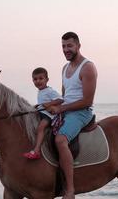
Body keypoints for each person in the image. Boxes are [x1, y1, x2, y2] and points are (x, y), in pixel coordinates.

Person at [48, 32, 97, 199]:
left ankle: (69, 190)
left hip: (81, 113)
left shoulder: (87, 67)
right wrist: (50, 105)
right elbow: (66, 96)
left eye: (69, 46)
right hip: (67, 110)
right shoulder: (64, 68)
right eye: (63, 46)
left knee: (60, 140)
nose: (66, 49)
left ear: (78, 46)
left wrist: (62, 109)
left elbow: (87, 101)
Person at [23, 67, 64, 159]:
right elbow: (43, 103)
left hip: (49, 115)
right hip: (42, 113)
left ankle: (36, 151)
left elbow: (61, 99)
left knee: (40, 128)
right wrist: (38, 106)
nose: (38, 81)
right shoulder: (41, 91)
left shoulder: (49, 91)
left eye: (41, 78)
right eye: (35, 79)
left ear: (47, 80)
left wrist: (49, 104)